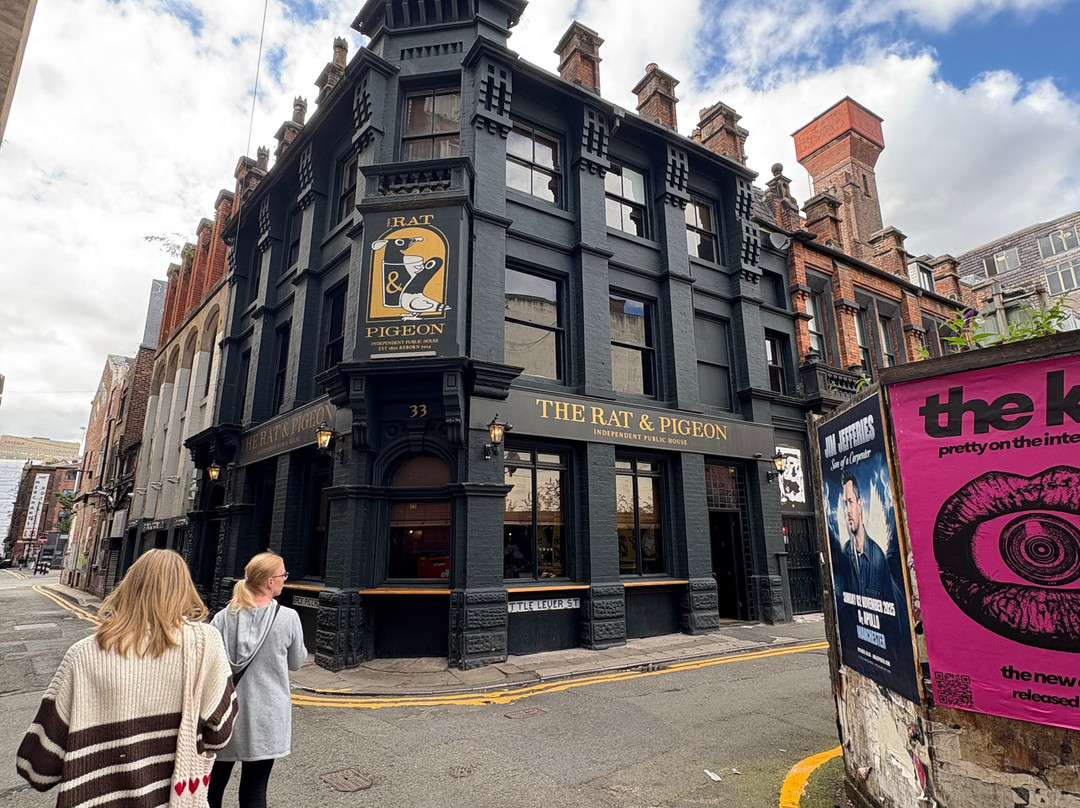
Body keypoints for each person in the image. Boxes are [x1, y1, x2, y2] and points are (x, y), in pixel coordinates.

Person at [17, 549, 237, 808]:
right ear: (185, 591)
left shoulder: (83, 654)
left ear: (128, 587)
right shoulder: (205, 643)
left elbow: (38, 769)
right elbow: (219, 735)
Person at [209, 552, 306, 808]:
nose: (285, 579)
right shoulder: (288, 618)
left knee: (212, 788)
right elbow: (296, 662)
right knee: (254, 789)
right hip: (267, 717)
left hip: (225, 716)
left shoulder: (221, 618)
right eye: (283, 575)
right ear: (270, 582)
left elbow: (211, 666)